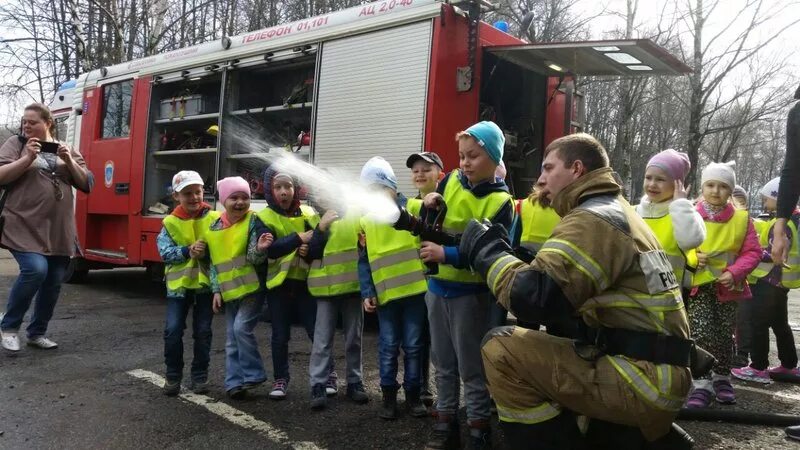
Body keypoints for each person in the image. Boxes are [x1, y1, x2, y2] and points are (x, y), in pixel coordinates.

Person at [459, 133, 694, 449]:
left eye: (548, 167)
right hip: (654, 370)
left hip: (641, 379)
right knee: (557, 341)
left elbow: (534, 298)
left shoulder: (592, 218)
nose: (541, 179)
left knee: (502, 350)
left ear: (577, 169)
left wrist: (485, 252)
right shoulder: (616, 211)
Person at [400, 121, 513, 448]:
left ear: (493, 158)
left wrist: (446, 254)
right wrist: (431, 201)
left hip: (471, 296)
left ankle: (479, 432)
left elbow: (490, 252)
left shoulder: (501, 203)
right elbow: (435, 222)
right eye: (462, 156)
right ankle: (445, 428)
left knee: (471, 368)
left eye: (473, 156)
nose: (464, 163)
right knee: (443, 364)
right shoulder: (450, 181)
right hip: (437, 290)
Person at [0, 103, 93, 352]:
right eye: (24, 121)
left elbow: (87, 183)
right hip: (23, 223)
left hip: (58, 229)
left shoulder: (67, 149)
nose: (26, 126)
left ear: (48, 123)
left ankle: (37, 332)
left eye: (32, 122)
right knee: (35, 270)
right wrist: (28, 157)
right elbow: (1, 175)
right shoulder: (16, 145)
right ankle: (9, 328)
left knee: (53, 281)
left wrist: (69, 161)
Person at [253, 167, 335, 400]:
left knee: (316, 333)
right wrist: (299, 238)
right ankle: (281, 379)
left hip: (306, 286)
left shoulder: (309, 214)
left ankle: (329, 374)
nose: (283, 192)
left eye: (288, 186)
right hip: (279, 287)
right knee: (280, 336)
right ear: (270, 190)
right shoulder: (264, 217)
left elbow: (319, 248)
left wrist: (309, 250)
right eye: (277, 187)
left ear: (295, 189)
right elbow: (271, 250)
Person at [684, 161, 760, 408]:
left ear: (731, 191)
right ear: (702, 186)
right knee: (701, 332)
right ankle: (701, 383)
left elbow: (752, 252)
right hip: (697, 287)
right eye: (710, 185)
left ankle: (722, 378)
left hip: (728, 287)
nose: (716, 191)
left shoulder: (741, 219)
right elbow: (678, 246)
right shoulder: (690, 214)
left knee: (723, 334)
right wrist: (693, 256)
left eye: (723, 187)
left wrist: (736, 272)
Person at [361, 157, 429, 420]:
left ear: (392, 186)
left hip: (415, 294)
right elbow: (364, 260)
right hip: (386, 297)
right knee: (388, 347)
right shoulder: (366, 220)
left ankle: (413, 397)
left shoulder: (415, 207)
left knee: (413, 347)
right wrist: (368, 292)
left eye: (381, 188)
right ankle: (389, 397)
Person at [731, 177, 800, 384]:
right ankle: (789, 365)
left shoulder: (781, 224)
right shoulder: (795, 220)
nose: (764, 203)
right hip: (781, 284)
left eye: (767, 199)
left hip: (768, 281)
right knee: (780, 324)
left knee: (757, 323)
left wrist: (751, 252)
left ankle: (758, 367)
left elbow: (772, 253)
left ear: (776, 199)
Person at [206, 177, 269, 399]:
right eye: (234, 197)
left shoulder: (253, 220)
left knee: (241, 329)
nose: (240, 202)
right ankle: (234, 383)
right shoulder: (213, 227)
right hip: (229, 290)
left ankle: (254, 374)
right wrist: (216, 290)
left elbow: (254, 257)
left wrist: (260, 249)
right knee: (232, 337)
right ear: (223, 200)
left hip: (252, 289)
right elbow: (214, 262)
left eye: (245, 197)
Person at [158, 171, 219, 396]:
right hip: (179, 287)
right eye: (187, 193)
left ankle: (199, 376)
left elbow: (221, 251)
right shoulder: (170, 222)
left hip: (204, 286)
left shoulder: (214, 219)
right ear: (176, 196)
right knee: (173, 331)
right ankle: (173, 375)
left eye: (198, 192)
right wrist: (187, 251)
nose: (194, 197)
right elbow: (164, 252)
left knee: (203, 331)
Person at [306, 198, 368, 410]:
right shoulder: (311, 218)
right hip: (325, 289)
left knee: (354, 339)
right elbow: (310, 253)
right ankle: (318, 385)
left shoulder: (355, 214)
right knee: (322, 340)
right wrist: (321, 228)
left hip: (352, 287)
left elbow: (366, 244)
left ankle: (355, 382)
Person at [635, 149, 705, 294]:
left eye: (660, 179)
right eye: (648, 178)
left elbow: (690, 241)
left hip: (670, 299)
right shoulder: (633, 212)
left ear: (677, 184)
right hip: (634, 295)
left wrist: (680, 205)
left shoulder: (685, 213)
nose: (652, 184)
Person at [405, 151, 443, 405]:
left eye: (426, 170)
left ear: (440, 174)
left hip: (439, 282)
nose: (420, 174)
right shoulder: (408, 206)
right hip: (414, 283)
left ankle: (443, 393)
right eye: (416, 170)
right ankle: (421, 388)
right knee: (418, 339)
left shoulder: (445, 203)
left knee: (439, 341)